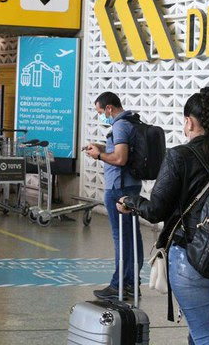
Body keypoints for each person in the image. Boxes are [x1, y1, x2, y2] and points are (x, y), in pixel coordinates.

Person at [117, 87, 209, 345]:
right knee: (204, 329)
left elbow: (155, 211)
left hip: (190, 260)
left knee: (206, 334)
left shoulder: (178, 156)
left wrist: (130, 201)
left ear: (188, 121)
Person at [83, 91, 143, 300]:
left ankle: (120, 285)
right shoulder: (131, 122)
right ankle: (131, 283)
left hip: (119, 188)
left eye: (101, 111)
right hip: (130, 186)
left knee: (122, 238)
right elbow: (120, 150)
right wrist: (101, 147)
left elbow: (120, 158)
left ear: (109, 108)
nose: (101, 116)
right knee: (132, 236)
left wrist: (99, 155)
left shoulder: (119, 125)